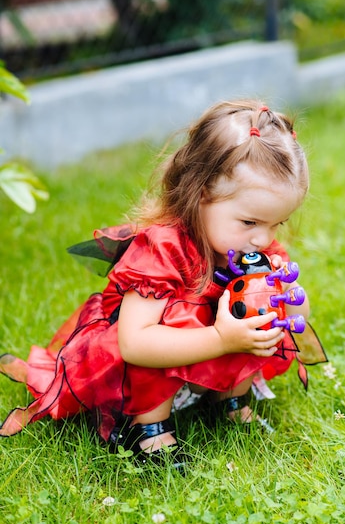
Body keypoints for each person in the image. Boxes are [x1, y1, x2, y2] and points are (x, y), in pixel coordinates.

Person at [0, 99, 325, 467]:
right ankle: (148, 431)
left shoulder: (251, 249)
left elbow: (295, 317)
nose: (263, 240)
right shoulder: (163, 251)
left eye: (276, 224)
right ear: (202, 194)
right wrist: (220, 338)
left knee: (251, 315)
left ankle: (230, 401)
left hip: (205, 345)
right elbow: (135, 344)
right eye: (250, 223)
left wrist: (289, 298)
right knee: (182, 321)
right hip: (138, 357)